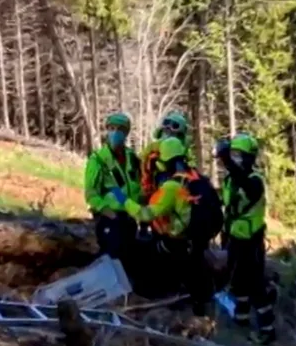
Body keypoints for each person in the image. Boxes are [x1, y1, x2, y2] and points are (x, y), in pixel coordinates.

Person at [126, 135, 223, 315]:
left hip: (178, 240)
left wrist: (123, 200)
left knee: (151, 259)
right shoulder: (197, 179)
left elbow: (146, 213)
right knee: (195, 271)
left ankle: (168, 301)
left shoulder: (171, 187)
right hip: (198, 239)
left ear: (164, 162)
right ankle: (201, 304)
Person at [216, 133, 275, 341]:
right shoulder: (230, 180)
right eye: (233, 154)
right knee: (238, 282)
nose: (235, 158)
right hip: (233, 238)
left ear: (250, 157)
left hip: (251, 241)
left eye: (239, 155)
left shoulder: (254, 180)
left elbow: (249, 191)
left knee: (256, 285)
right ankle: (241, 318)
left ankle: (267, 330)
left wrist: (228, 161)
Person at [84, 111, 144, 261]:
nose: (115, 132)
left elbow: (140, 185)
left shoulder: (132, 158)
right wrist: (107, 211)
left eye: (120, 129)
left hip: (130, 219)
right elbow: (91, 192)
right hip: (110, 219)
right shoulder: (98, 159)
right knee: (111, 260)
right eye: (111, 128)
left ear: (126, 132)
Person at [138, 109, 190, 197]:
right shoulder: (153, 146)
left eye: (174, 125)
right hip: (153, 184)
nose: (168, 127)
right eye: (166, 123)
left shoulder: (183, 149)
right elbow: (141, 159)